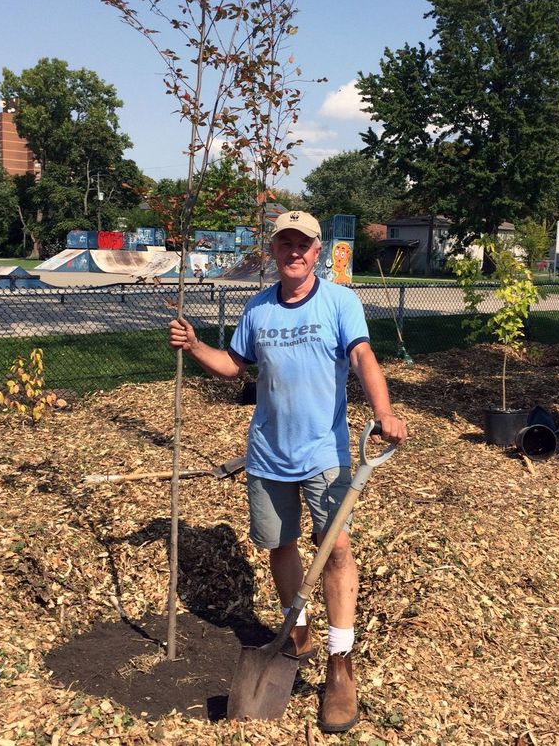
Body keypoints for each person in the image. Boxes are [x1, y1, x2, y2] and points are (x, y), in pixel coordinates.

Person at [169, 210, 407, 732]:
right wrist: (194, 346)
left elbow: (364, 358)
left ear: (317, 252)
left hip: (325, 452)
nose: (293, 253)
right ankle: (296, 631)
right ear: (273, 253)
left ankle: (340, 663)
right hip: (267, 454)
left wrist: (383, 410)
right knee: (280, 545)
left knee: (337, 548)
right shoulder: (257, 309)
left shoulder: (340, 302)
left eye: (303, 245)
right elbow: (235, 365)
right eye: (284, 245)